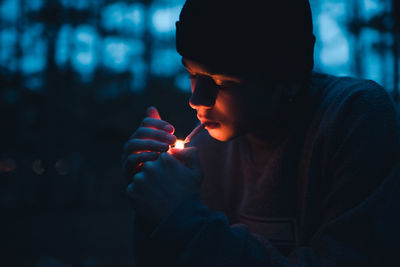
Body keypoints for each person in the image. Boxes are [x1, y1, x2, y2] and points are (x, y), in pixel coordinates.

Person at [121, 0, 400, 266]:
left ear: (289, 78)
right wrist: (153, 211)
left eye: (222, 81)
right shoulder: (203, 151)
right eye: (192, 73)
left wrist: (184, 221)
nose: (197, 100)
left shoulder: (354, 116)